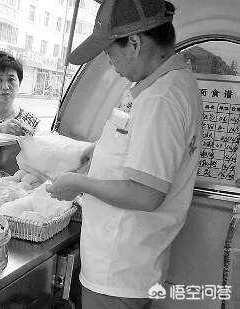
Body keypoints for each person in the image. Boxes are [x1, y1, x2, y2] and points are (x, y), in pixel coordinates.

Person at [46, 0, 201, 308]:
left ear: (134, 43)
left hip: (119, 273)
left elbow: (146, 194)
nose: (108, 60)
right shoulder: (160, 84)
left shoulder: (161, 98)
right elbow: (140, 150)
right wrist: (98, 151)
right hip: (131, 266)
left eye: (108, 51)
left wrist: (78, 183)